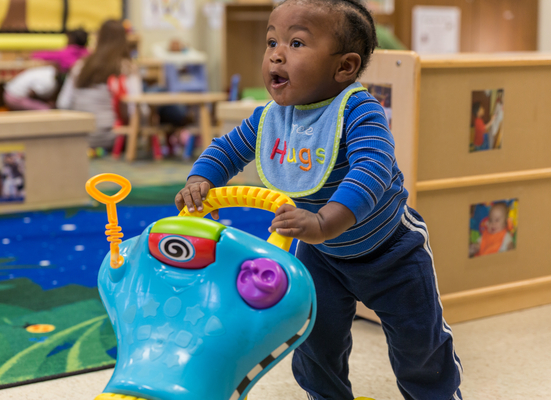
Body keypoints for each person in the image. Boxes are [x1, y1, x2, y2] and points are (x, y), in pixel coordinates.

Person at [175, 1, 463, 399]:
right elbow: (227, 148)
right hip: (322, 256)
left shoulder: (359, 110)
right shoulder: (271, 117)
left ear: (344, 67)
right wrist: (200, 178)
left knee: (419, 346)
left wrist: (325, 221)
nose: (276, 53)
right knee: (312, 342)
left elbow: (372, 169)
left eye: (295, 43)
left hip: (392, 252)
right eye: (271, 40)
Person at [57, 19, 141, 150]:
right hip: (109, 137)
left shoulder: (80, 65)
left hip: (78, 137)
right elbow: (134, 107)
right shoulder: (126, 67)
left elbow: (63, 103)